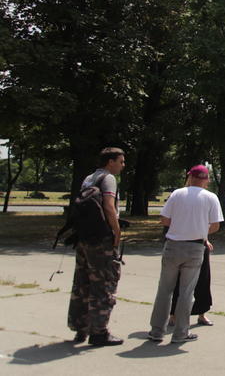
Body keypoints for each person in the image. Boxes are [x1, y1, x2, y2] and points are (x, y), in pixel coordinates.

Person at [147, 164, 222, 344]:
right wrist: (201, 232)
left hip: (173, 245)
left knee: (164, 290)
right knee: (186, 292)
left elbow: (164, 219)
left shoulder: (177, 194)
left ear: (190, 177)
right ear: (207, 179)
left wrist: (180, 226)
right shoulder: (211, 197)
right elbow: (216, 225)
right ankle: (180, 333)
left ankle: (157, 331)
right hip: (195, 247)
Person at [67, 147, 126, 346]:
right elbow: (109, 207)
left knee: (82, 283)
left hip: (84, 238)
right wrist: (117, 232)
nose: (122, 165)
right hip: (101, 240)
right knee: (103, 284)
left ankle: (80, 328)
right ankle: (99, 332)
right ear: (110, 162)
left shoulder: (89, 178)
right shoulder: (108, 179)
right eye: (121, 161)